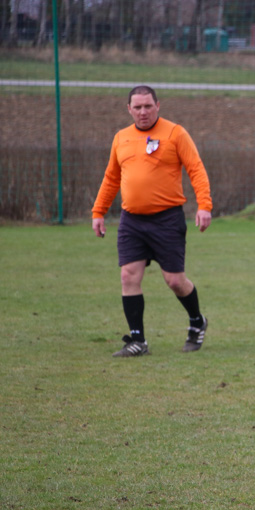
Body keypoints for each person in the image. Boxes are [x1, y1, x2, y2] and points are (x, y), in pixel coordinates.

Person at [92, 85, 212, 357]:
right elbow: (111, 178)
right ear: (129, 109)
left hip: (167, 220)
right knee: (128, 275)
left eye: (148, 106)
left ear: (158, 105)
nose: (143, 112)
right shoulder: (121, 138)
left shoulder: (175, 133)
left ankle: (197, 321)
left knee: (174, 281)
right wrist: (98, 212)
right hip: (131, 221)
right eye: (137, 107)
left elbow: (196, 169)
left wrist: (204, 206)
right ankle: (137, 341)